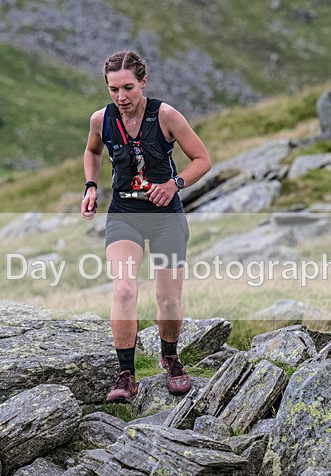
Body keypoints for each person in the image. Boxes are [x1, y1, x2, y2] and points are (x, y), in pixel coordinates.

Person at [80, 50, 212, 403]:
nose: (121, 97)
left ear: (143, 82)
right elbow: (92, 152)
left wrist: (175, 184)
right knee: (124, 290)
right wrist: (91, 186)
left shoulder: (166, 116)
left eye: (128, 88)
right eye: (113, 90)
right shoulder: (101, 120)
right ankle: (126, 374)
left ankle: (170, 359)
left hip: (166, 215)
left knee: (168, 300)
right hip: (124, 213)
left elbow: (203, 160)